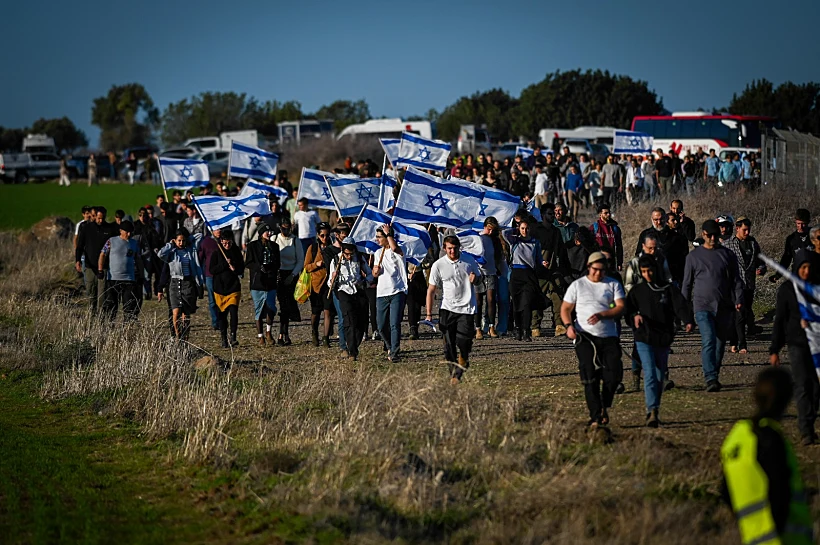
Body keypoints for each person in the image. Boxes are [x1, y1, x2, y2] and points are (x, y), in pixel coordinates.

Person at [721, 367, 814, 544]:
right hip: (785, 538)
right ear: (786, 399)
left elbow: (726, 490)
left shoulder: (737, 437)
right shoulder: (769, 438)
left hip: (753, 535)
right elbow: (779, 489)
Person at [626, 255, 693, 427]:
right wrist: (634, 316)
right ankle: (652, 411)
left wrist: (688, 320)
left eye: (650, 271)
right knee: (649, 372)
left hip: (663, 338)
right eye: (643, 272)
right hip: (643, 337)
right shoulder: (637, 291)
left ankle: (656, 407)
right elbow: (628, 311)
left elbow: (680, 306)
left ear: (656, 269)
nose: (647, 274)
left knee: (659, 375)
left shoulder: (668, 289)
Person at [561, 252, 626, 428]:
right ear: (589, 267)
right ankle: (596, 416)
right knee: (589, 375)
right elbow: (566, 308)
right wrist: (568, 326)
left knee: (613, 374)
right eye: (596, 270)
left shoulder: (612, 284)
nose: (599, 274)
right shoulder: (578, 285)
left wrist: (603, 314)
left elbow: (620, 306)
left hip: (608, 335)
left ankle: (605, 404)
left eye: (602, 270)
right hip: (584, 336)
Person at [682, 220, 744, 392]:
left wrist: (739, 298)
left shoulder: (727, 255)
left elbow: (736, 280)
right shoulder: (693, 257)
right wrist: (683, 310)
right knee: (708, 338)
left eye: (716, 235)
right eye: (709, 235)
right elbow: (686, 285)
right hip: (702, 306)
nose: (713, 238)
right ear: (703, 234)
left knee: (719, 342)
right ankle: (710, 377)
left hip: (724, 305)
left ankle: (714, 375)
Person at [769, 252, 820, 445]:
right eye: (802, 268)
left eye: (809, 268)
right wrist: (775, 349)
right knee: (802, 384)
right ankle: (805, 429)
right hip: (797, 344)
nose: (806, 272)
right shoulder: (787, 289)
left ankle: (811, 419)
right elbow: (780, 320)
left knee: (815, 388)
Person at [427, 236, 482, 384]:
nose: (452, 251)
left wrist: (475, 279)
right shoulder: (438, 265)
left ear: (459, 248)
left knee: (463, 341)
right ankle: (454, 374)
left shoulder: (468, 261)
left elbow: (480, 278)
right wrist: (428, 313)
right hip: (447, 308)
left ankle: (463, 358)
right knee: (448, 345)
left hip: (467, 308)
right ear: (445, 248)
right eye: (449, 248)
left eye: (455, 248)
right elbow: (431, 290)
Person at [724, 216, 766, 354]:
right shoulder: (728, 244)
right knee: (739, 313)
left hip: (749, 284)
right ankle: (742, 344)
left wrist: (761, 268)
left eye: (748, 230)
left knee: (745, 312)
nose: (747, 233)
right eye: (744, 230)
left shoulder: (753, 243)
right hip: (735, 285)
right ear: (737, 229)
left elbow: (760, 260)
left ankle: (734, 341)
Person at [504, 217, 548, 342]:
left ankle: (526, 330)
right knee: (516, 304)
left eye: (527, 228)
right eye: (522, 228)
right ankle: (517, 329)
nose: (525, 231)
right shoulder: (514, 241)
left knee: (527, 303)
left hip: (529, 274)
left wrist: (543, 262)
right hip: (516, 274)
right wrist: (516, 228)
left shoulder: (535, 242)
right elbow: (504, 233)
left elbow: (538, 258)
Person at [328, 238, 372, 361]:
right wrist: (333, 278)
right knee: (349, 321)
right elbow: (329, 283)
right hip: (343, 291)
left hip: (358, 291)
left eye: (350, 254)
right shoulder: (336, 260)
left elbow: (369, 274)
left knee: (362, 322)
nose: (348, 256)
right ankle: (351, 351)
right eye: (346, 254)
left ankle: (354, 344)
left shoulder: (359, 258)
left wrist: (365, 281)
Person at [158, 227, 204, 339]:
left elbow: (200, 235)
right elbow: (160, 254)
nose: (181, 243)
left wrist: (188, 238)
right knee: (176, 312)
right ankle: (178, 337)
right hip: (174, 283)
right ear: (175, 240)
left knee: (186, 314)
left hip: (188, 283)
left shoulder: (190, 249)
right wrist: (170, 244)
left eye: (183, 240)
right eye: (179, 240)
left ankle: (185, 337)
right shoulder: (171, 252)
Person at [372, 224, 407, 362]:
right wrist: (375, 272)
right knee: (380, 326)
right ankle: (389, 346)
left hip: (397, 290)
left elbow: (394, 248)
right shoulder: (377, 253)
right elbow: (376, 274)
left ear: (387, 237)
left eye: (380, 237)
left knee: (394, 324)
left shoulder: (398, 250)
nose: (377, 240)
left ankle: (394, 352)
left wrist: (388, 234)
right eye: (377, 237)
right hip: (382, 292)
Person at [75, 207, 118, 313]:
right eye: (98, 218)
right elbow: (80, 245)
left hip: (104, 267)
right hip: (89, 266)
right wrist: (78, 260)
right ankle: (91, 314)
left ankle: (100, 318)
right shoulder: (86, 228)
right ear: (95, 217)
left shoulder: (110, 230)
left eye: (102, 218)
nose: (100, 221)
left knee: (102, 294)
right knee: (90, 292)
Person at [98, 220, 143, 322]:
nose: (129, 234)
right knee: (111, 306)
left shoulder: (134, 243)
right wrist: (100, 270)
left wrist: (141, 275)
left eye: (131, 231)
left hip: (129, 280)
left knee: (129, 306)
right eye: (127, 231)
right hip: (113, 279)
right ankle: (110, 326)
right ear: (121, 231)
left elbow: (138, 259)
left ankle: (126, 329)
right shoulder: (111, 241)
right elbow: (102, 254)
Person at [246, 223, 281, 346]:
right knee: (259, 310)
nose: (269, 234)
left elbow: (278, 263)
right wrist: (259, 268)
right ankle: (260, 336)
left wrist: (271, 268)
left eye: (270, 232)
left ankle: (269, 332)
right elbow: (248, 262)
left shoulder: (275, 246)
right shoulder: (252, 246)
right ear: (261, 233)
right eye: (266, 232)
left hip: (270, 282)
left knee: (270, 308)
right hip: (258, 282)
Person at [209, 230, 244, 348]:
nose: (227, 246)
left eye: (229, 243)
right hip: (220, 289)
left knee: (234, 312)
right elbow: (211, 270)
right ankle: (223, 338)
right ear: (221, 242)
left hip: (233, 287)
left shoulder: (236, 252)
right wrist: (224, 264)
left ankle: (233, 336)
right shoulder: (216, 253)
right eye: (224, 243)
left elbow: (241, 268)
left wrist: (236, 268)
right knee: (222, 316)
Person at [304, 223, 337, 347]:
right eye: (322, 235)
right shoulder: (312, 248)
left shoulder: (332, 248)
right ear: (318, 235)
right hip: (316, 285)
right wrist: (316, 265)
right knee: (316, 312)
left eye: (327, 235)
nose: (324, 238)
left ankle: (326, 338)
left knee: (328, 311)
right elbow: (306, 267)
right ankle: (314, 333)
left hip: (329, 284)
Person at [273, 217, 303, 345]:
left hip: (291, 274)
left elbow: (300, 260)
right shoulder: (274, 239)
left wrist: (293, 274)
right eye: (283, 228)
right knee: (283, 305)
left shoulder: (295, 241)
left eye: (288, 228)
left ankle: (283, 333)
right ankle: (282, 333)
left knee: (288, 304)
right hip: (278, 274)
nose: (286, 230)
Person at [770, 209, 814, 283]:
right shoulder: (791, 239)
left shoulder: (815, 236)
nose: (801, 227)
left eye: (803, 224)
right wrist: (778, 275)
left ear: (808, 222)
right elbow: (786, 258)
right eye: (798, 223)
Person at [197, 228, 222, 330]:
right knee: (212, 301)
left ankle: (222, 320)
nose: (219, 231)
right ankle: (215, 321)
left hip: (222, 275)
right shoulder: (206, 242)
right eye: (217, 229)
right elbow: (200, 258)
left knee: (222, 299)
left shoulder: (225, 241)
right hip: (210, 275)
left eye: (220, 229)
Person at [590, 203, 623, 271]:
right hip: (598, 259)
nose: (608, 215)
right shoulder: (594, 227)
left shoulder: (615, 228)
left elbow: (619, 246)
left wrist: (619, 262)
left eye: (609, 213)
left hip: (611, 260)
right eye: (606, 213)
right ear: (600, 214)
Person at [663, 212, 689, 285]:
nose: (675, 222)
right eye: (672, 220)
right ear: (667, 222)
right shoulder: (664, 237)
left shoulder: (679, 234)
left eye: (676, 220)